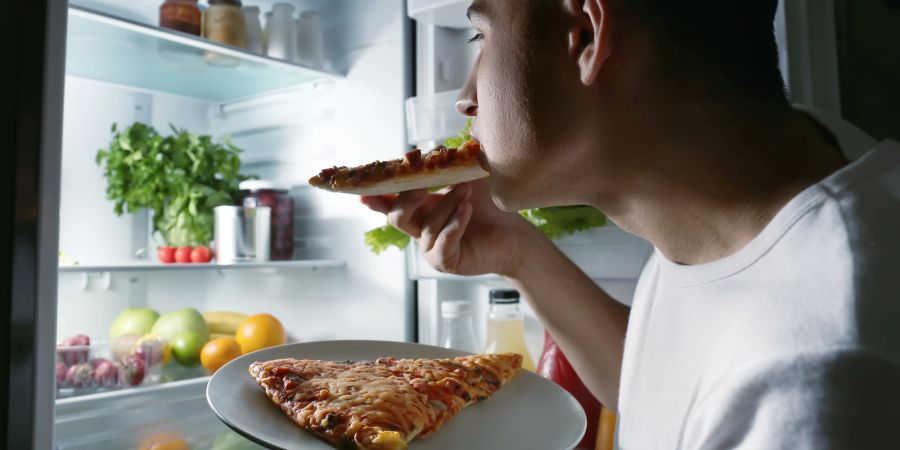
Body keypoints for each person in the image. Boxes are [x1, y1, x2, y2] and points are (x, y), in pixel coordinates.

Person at [363, 0, 900, 448]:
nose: (465, 98)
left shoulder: (810, 391)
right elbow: (669, 389)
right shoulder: (783, 170)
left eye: (480, 38)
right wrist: (515, 251)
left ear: (586, 34)